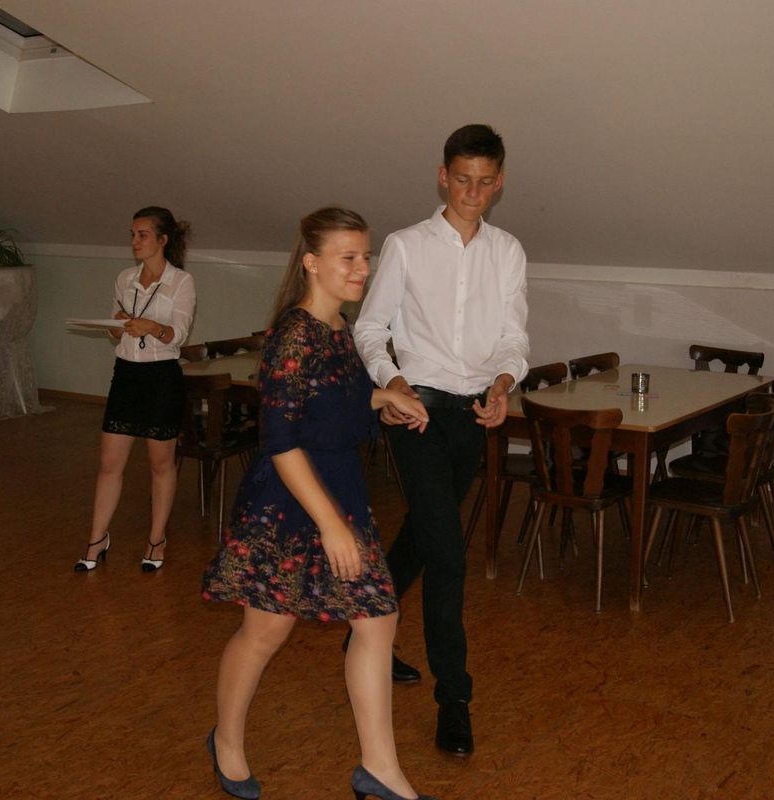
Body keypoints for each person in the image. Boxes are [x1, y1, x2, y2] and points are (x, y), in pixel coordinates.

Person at [201, 208, 438, 800]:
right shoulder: (294, 334)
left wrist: (384, 401)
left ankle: (379, 770)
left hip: (339, 492)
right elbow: (280, 441)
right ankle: (226, 739)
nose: (362, 268)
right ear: (311, 262)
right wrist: (330, 525)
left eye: (365, 256)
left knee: (377, 619)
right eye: (348, 257)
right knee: (266, 630)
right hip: (290, 500)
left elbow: (336, 401)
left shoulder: (336, 328)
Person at [353, 124, 529, 757]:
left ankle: (361, 629)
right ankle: (454, 698)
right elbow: (370, 328)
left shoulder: (507, 251)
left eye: (484, 182)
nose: (471, 193)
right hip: (416, 414)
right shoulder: (405, 245)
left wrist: (504, 383)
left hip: (471, 417)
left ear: (499, 182)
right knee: (448, 554)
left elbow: (513, 337)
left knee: (424, 536)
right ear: (442, 176)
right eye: (461, 180)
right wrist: (393, 381)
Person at [74, 206, 196, 573]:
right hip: (126, 374)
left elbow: (178, 335)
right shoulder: (125, 278)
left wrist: (151, 327)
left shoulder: (181, 281)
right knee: (109, 464)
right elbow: (116, 335)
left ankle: (156, 539)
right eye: (132, 235)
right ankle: (97, 539)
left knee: (160, 464)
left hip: (161, 377)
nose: (134, 242)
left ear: (163, 240)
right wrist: (116, 326)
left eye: (142, 235)